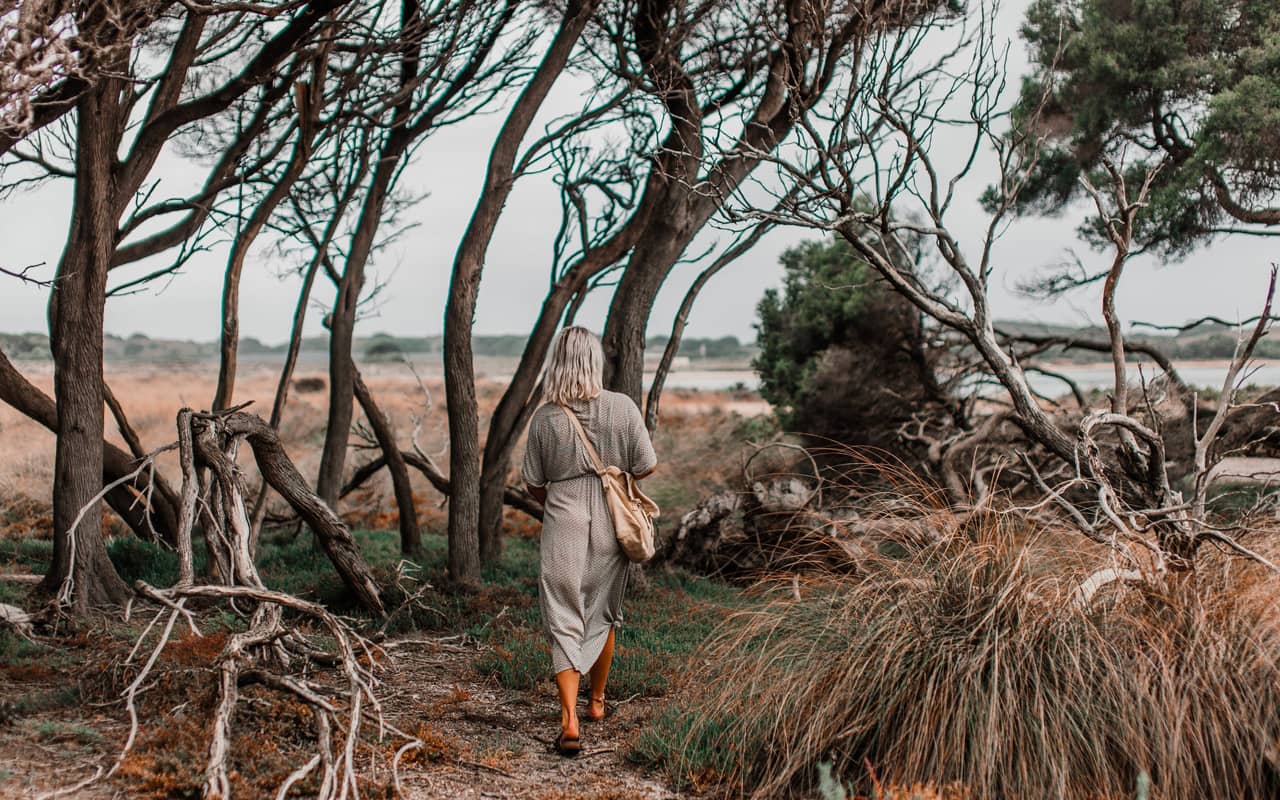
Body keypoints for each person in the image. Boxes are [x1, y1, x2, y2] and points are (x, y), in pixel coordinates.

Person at [520, 326, 658, 756]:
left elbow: (532, 482)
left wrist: (561, 496)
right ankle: (596, 702)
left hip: (563, 518)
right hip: (612, 523)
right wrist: (612, 476)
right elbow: (646, 466)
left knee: (563, 612)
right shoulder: (622, 406)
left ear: (556, 363)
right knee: (602, 610)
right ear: (595, 361)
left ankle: (569, 719)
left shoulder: (544, 417)